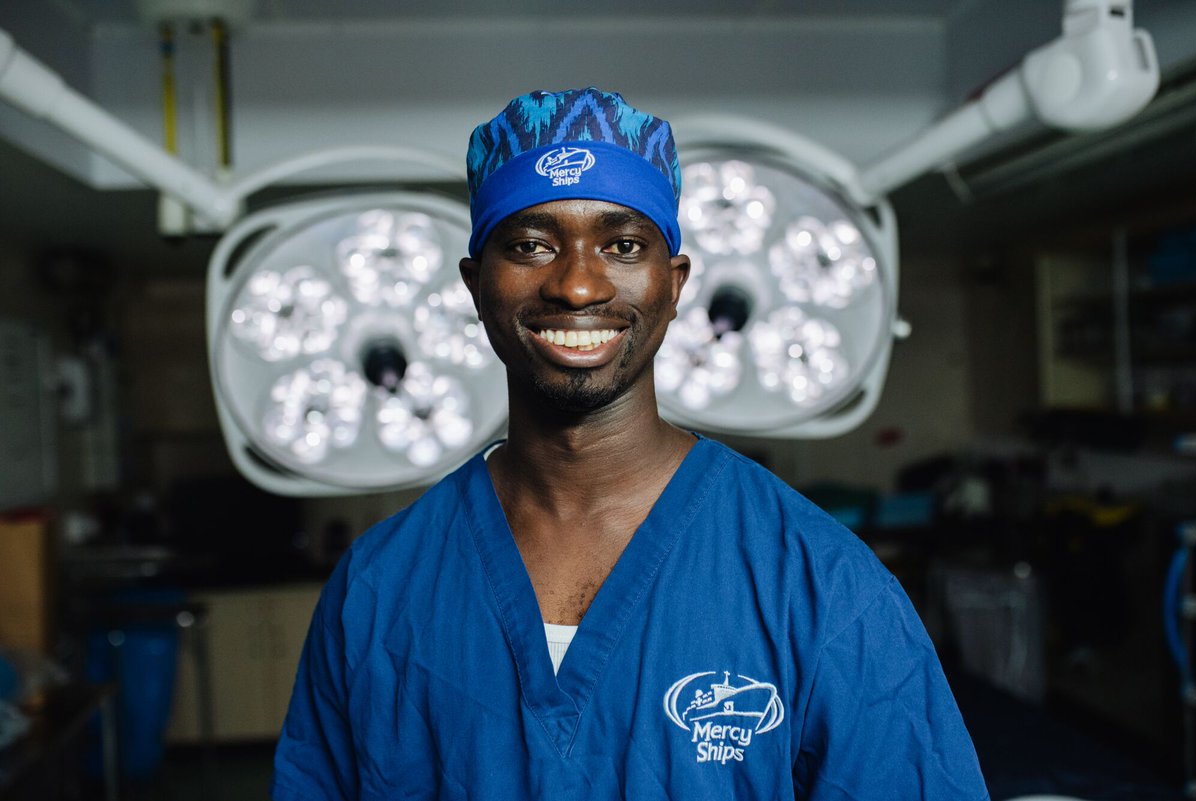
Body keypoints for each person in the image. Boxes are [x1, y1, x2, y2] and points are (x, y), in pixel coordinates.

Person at [271, 88, 990, 800]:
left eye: (621, 245)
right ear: (475, 284)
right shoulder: (379, 588)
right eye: (530, 244)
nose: (578, 285)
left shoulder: (818, 583)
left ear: (672, 285)